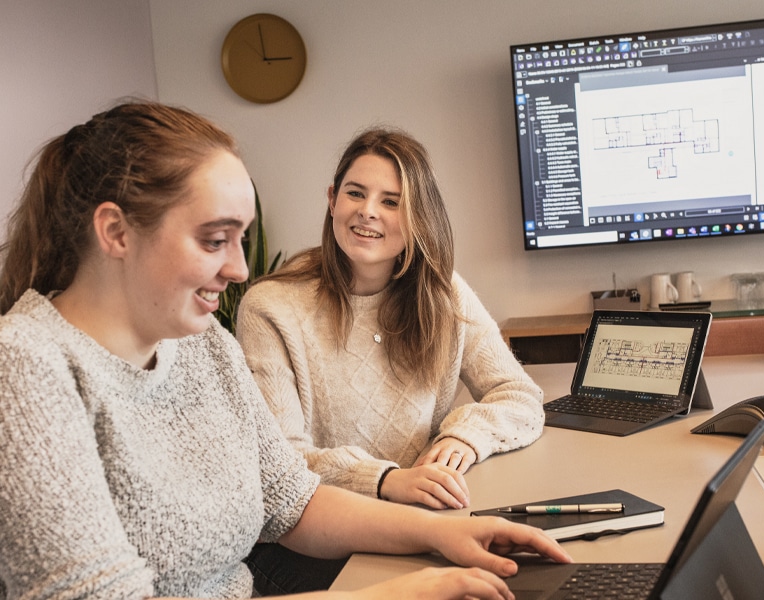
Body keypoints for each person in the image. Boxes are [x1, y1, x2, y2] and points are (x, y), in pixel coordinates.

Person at [0, 101, 571, 600]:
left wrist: (446, 534)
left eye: (241, 240)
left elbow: (291, 501)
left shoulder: (204, 348)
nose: (240, 269)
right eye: (214, 240)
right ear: (117, 232)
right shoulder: (25, 366)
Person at [235, 127, 546, 594]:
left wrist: (466, 435)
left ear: (419, 216)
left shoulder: (443, 293)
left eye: (391, 201)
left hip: (413, 520)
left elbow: (519, 395)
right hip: (304, 543)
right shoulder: (270, 307)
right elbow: (283, 464)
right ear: (332, 199)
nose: (367, 211)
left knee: (518, 575)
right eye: (355, 194)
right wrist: (384, 481)